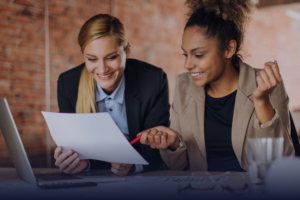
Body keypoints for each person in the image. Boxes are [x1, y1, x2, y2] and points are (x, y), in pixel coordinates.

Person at [138, 0, 295, 171]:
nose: (188, 64)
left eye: (198, 55)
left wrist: (262, 102)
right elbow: (177, 166)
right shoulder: (184, 86)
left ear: (229, 49)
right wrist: (174, 144)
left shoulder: (266, 85)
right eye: (186, 54)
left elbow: (280, 164)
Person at [54, 14, 170, 176]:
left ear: (127, 51)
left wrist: (133, 166)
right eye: (92, 59)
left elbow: (159, 148)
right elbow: (74, 148)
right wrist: (76, 162)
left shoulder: (153, 80)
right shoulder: (68, 83)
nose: (102, 69)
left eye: (111, 57)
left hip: (141, 177)